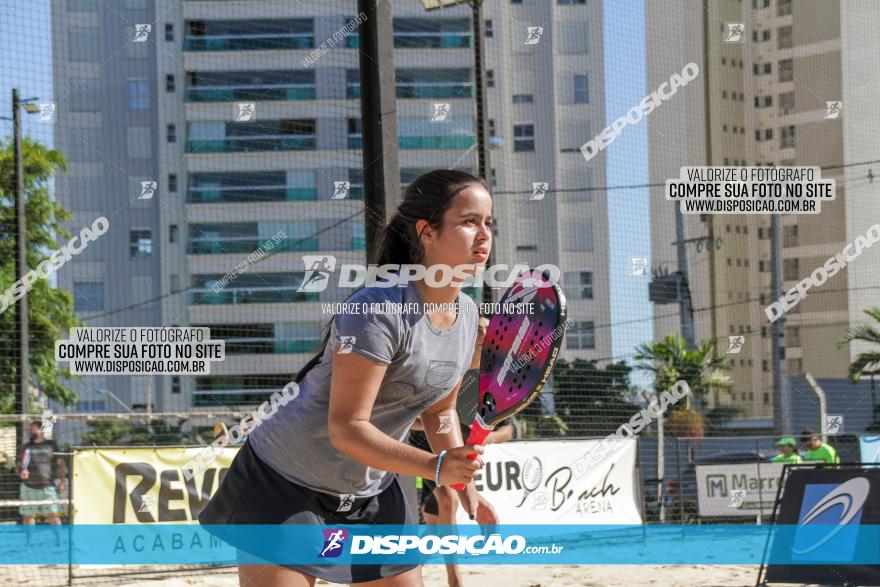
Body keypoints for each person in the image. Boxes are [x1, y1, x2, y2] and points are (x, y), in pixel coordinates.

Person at [199, 169, 498, 586]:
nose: (483, 235)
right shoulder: (377, 308)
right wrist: (435, 465)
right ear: (426, 232)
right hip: (284, 482)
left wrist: (463, 483)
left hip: (370, 489)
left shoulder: (466, 317)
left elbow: (441, 412)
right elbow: (346, 428)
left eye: (488, 223)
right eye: (469, 222)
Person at [408, 316, 513, 587]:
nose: (481, 333)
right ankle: (455, 579)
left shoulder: (492, 380)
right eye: (476, 328)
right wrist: (446, 422)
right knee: (447, 502)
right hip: (427, 449)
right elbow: (416, 422)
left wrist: (482, 438)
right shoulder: (445, 366)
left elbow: (510, 430)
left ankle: (406, 569)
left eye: (486, 330)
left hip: (461, 454)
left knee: (435, 526)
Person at [16, 421, 66, 543]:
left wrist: (62, 482)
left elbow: (61, 464)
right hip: (28, 487)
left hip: (48, 486)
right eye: (29, 429)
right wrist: (21, 471)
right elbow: (18, 464)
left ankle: (59, 541)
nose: (30, 431)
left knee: (53, 515)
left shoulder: (51, 445)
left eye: (32, 429)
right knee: (28, 516)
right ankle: (29, 542)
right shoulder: (26, 447)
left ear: (41, 430)